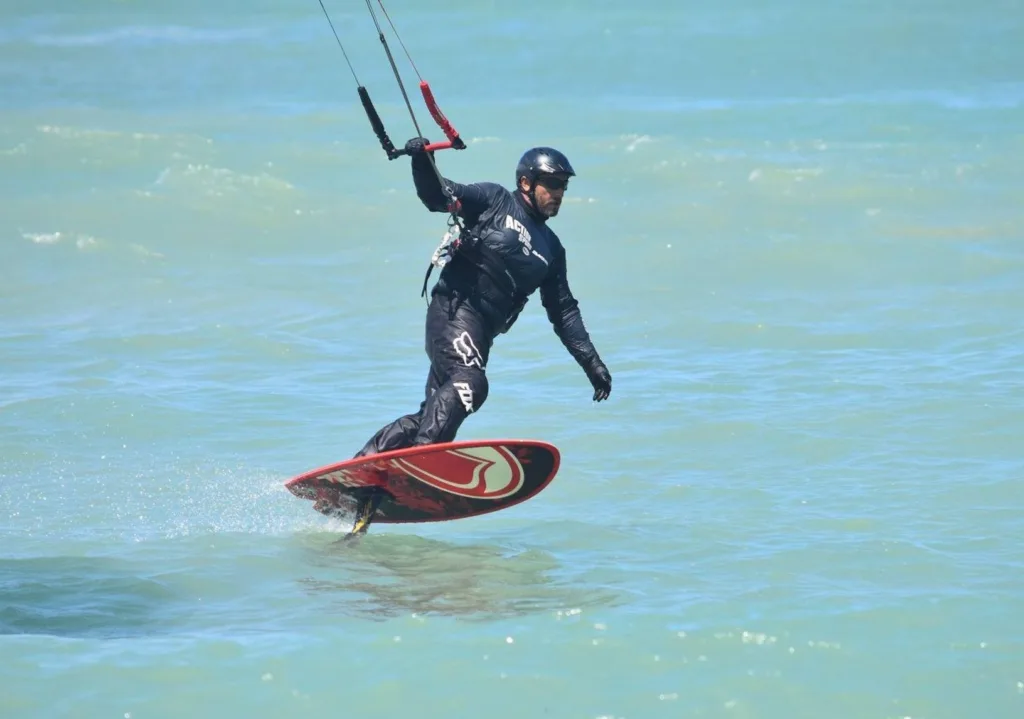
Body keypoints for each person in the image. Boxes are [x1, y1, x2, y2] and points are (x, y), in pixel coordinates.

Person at [352, 137, 613, 460]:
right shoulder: (496, 200)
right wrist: (420, 160)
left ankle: (362, 475)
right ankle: (424, 459)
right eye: (553, 184)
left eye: (563, 186)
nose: (559, 193)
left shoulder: (552, 250)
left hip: (480, 334)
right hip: (455, 312)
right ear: (525, 182)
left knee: (431, 415)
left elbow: (564, 313)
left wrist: (592, 363)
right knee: (471, 384)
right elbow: (438, 196)